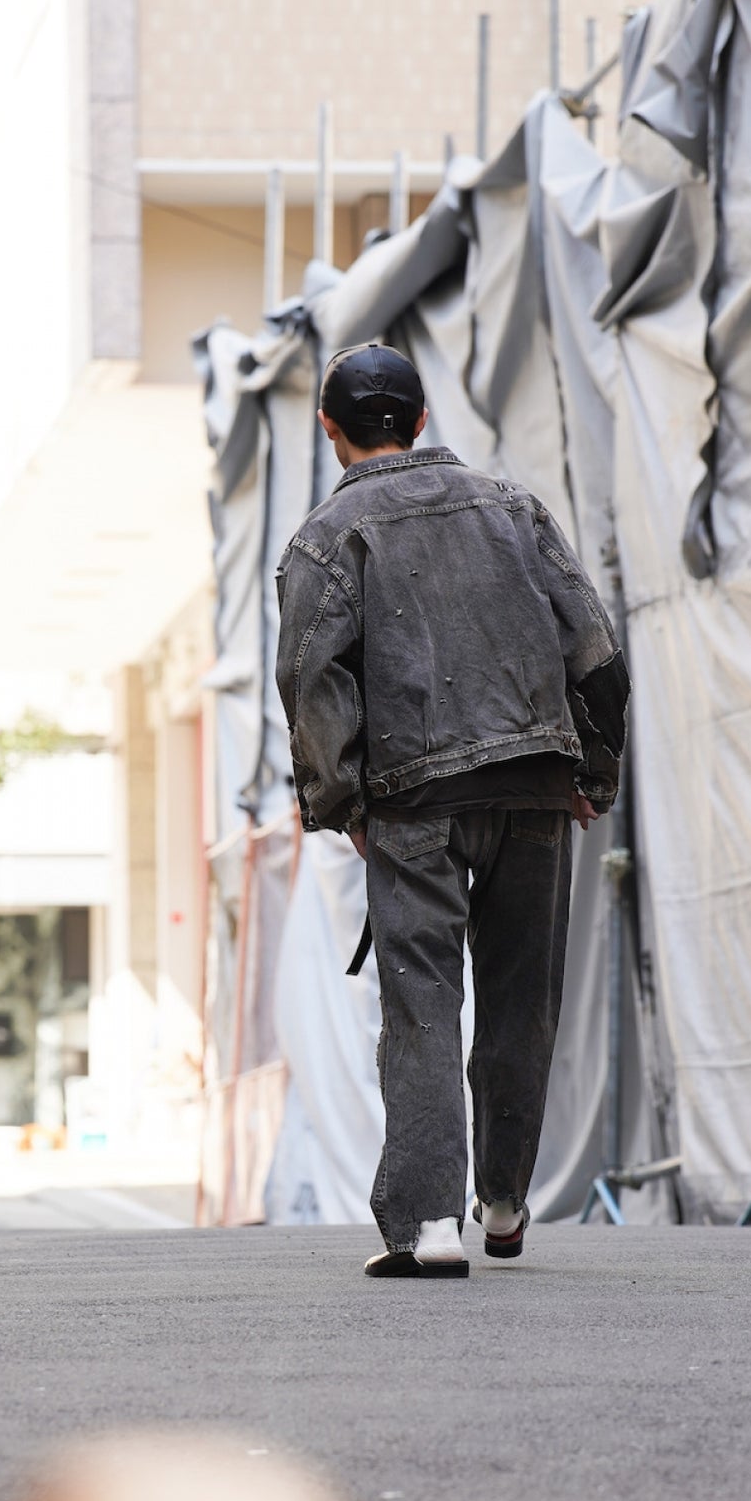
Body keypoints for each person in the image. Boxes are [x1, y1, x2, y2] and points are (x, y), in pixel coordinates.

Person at [275, 343, 629, 1278]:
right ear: (423, 420)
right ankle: (506, 1203)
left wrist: (340, 799)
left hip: (411, 800)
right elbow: (593, 647)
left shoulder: (326, 537)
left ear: (329, 428)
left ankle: (430, 1226)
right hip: (531, 786)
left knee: (423, 1001)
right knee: (521, 995)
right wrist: (591, 773)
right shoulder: (515, 508)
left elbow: (311, 678)